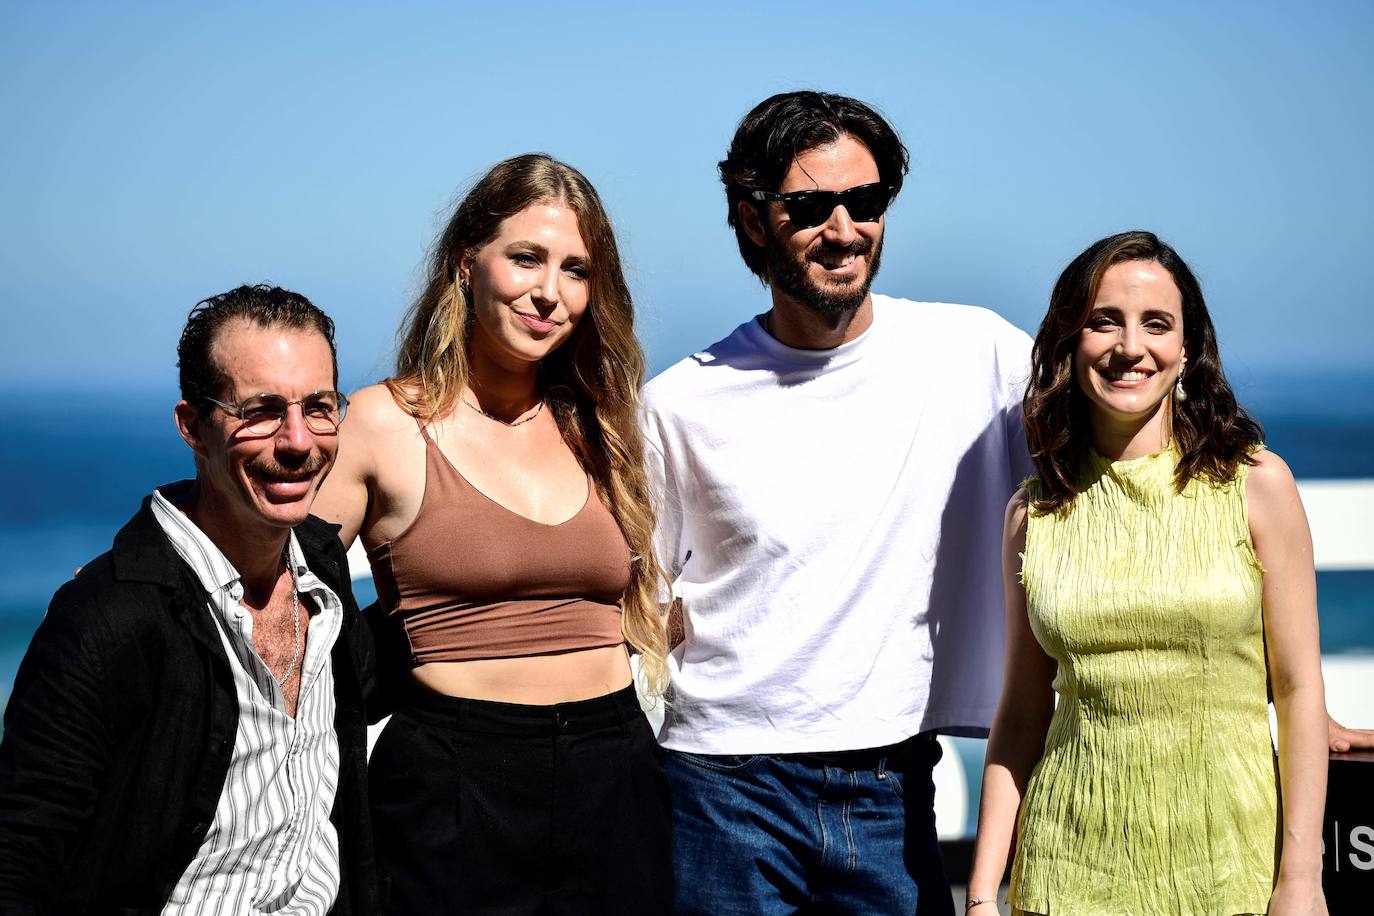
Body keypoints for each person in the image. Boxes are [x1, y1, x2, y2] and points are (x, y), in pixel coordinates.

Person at [641, 90, 1032, 914]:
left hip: (894, 780)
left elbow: (1141, 463)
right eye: (811, 206)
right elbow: (633, 595)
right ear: (753, 222)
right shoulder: (679, 403)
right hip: (721, 788)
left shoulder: (977, 353)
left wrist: (1276, 691)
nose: (845, 227)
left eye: (867, 199)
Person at [313, 153, 672, 913]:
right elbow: (275, 576)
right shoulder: (383, 423)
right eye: (527, 258)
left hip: (617, 777)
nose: (549, 291)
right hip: (455, 784)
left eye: (576, 269)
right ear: (466, 263)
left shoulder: (603, 426)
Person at [967, 231, 1329, 915]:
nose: (1130, 347)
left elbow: (1300, 688)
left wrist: (1301, 878)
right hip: (1064, 876)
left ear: (1187, 348)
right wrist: (984, 893)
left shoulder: (1256, 486)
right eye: (1104, 321)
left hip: (1230, 875)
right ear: (1071, 343)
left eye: (1155, 324)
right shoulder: (1033, 512)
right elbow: (1020, 713)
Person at [0, 285, 379, 914]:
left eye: (318, 407)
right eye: (260, 411)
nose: (297, 441)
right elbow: (20, 852)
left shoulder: (321, 568)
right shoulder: (107, 618)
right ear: (192, 428)